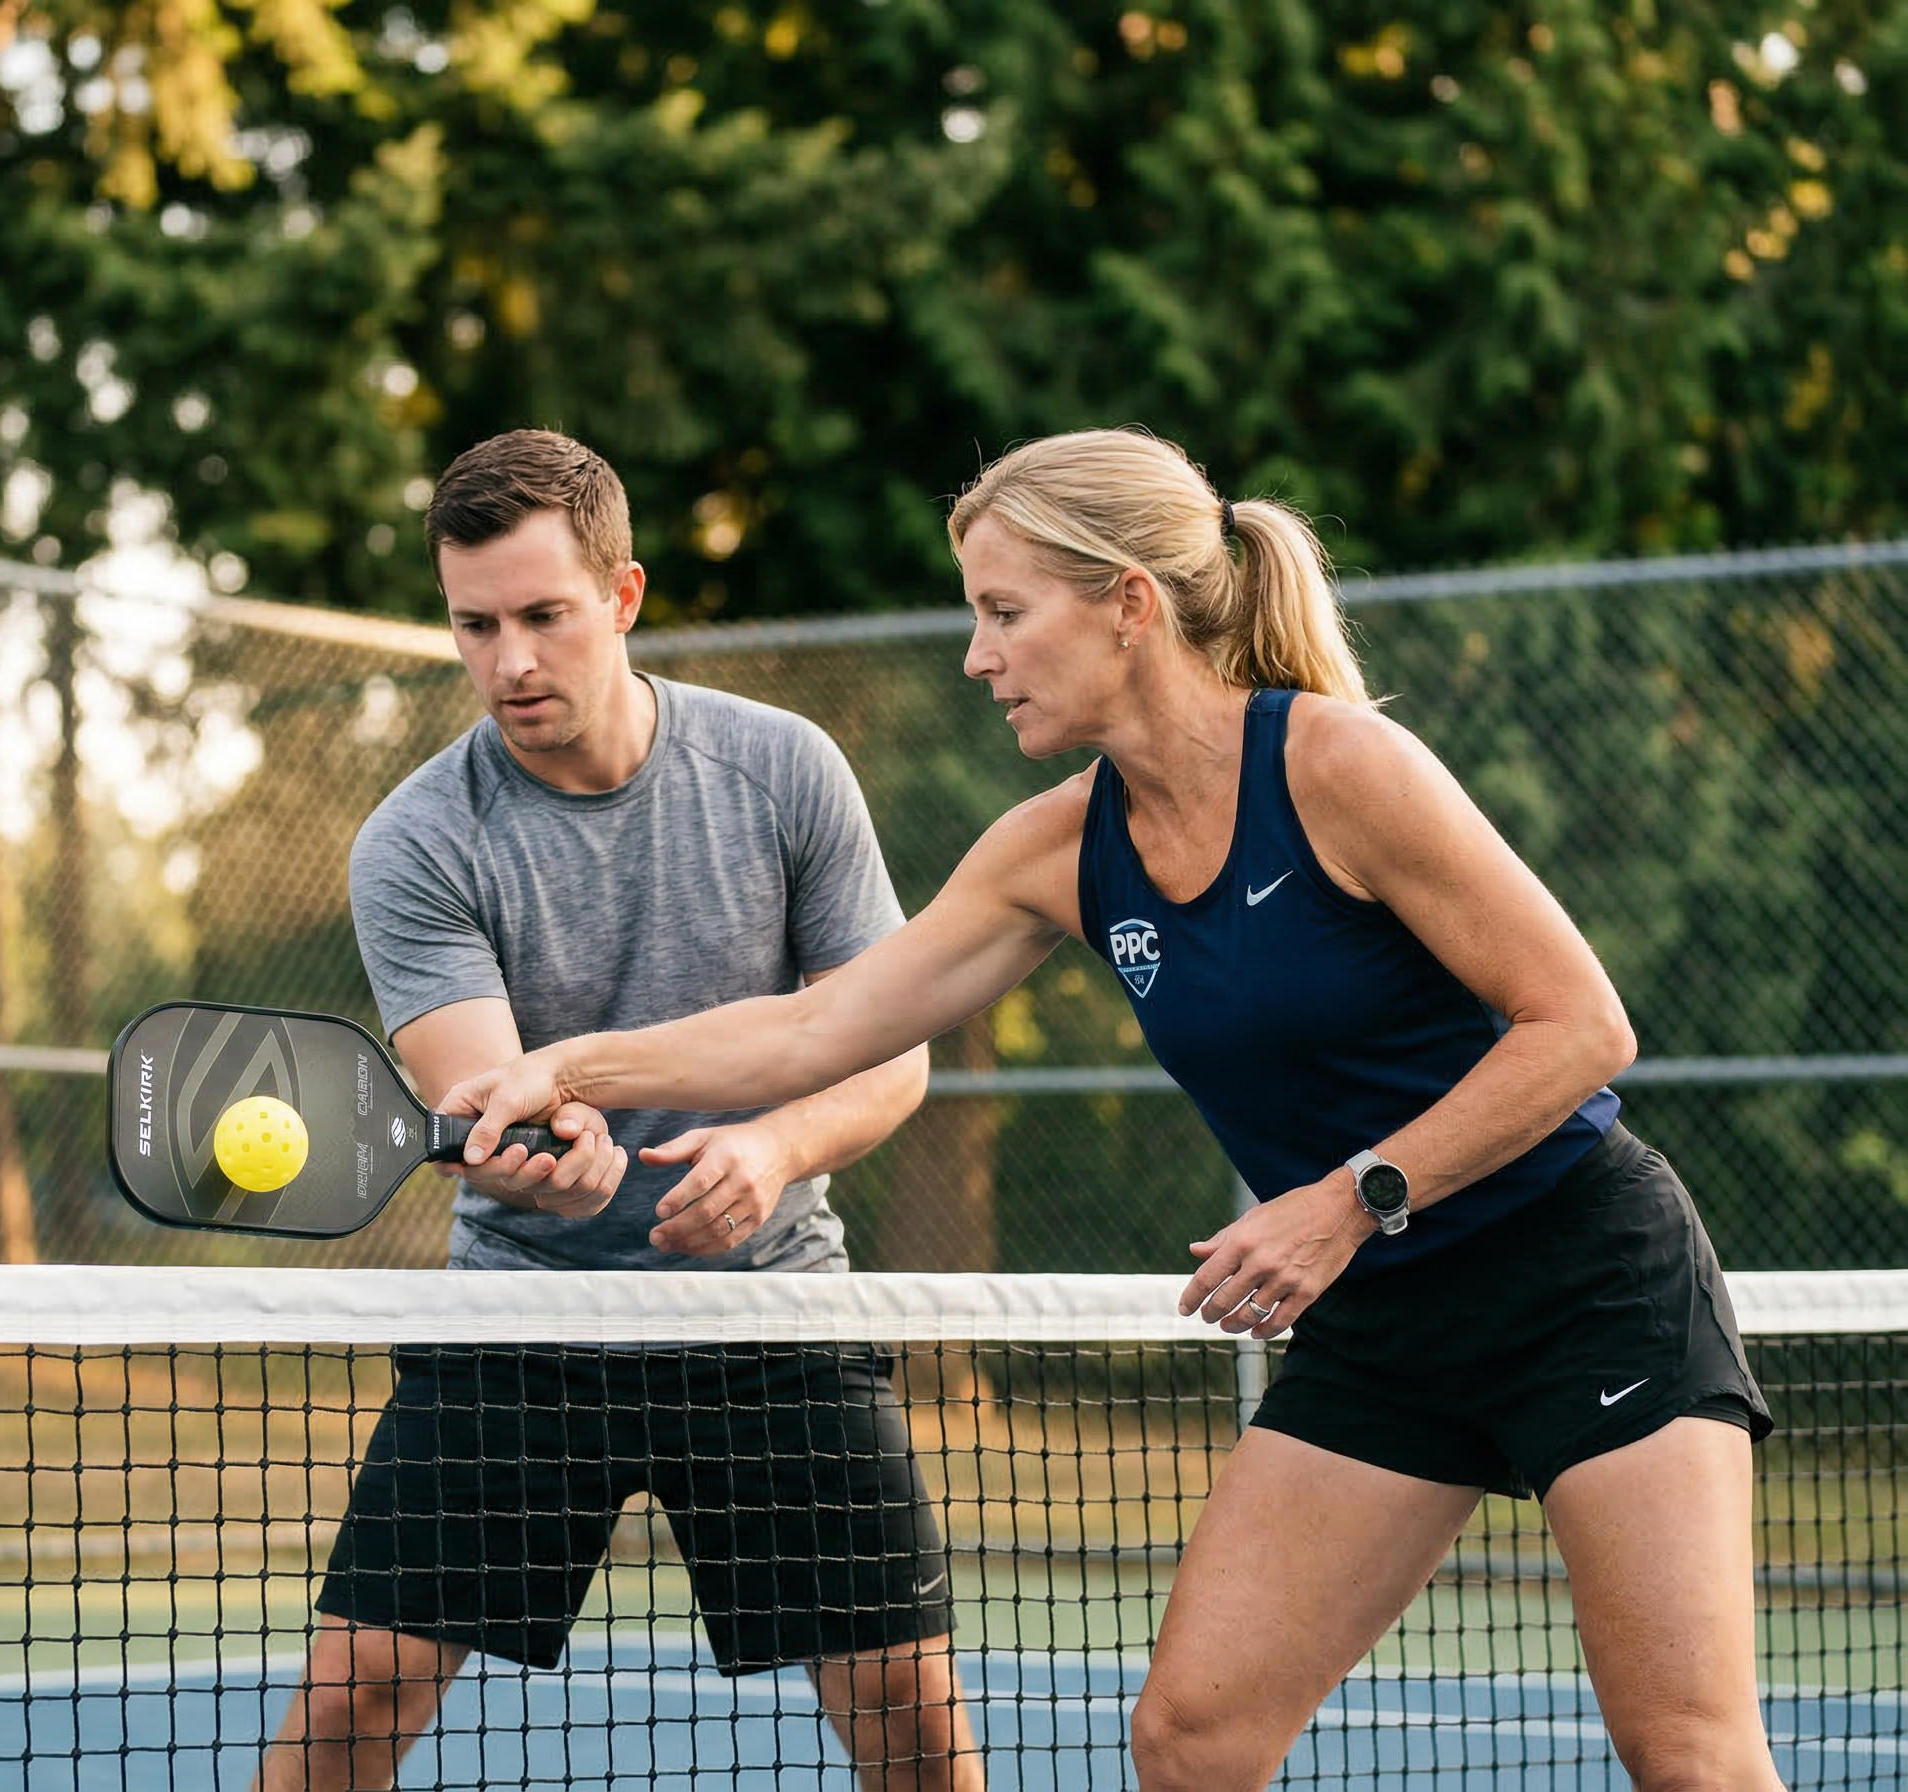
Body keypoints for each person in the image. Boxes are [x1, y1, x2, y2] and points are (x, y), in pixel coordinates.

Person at [446, 427, 1783, 1792]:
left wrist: (1350, 1199)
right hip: (1387, 1325)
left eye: (1006, 613)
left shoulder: (1338, 767)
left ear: (1129, 606)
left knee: (1686, 1751)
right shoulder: (1054, 851)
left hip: (1580, 1277)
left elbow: (1580, 1028)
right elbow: (816, 1026)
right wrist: (573, 1070)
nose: (979, 656)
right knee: (1192, 1739)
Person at [254, 429, 983, 1792]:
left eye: (544, 617)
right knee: (362, 1686)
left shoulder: (785, 772)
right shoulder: (417, 842)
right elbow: (490, 1105)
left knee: (909, 1709)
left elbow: (888, 1055)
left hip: (769, 1312)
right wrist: (557, 1169)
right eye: (475, 626)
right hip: (527, 1316)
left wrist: (775, 1148)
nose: (510, 662)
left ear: (626, 597)